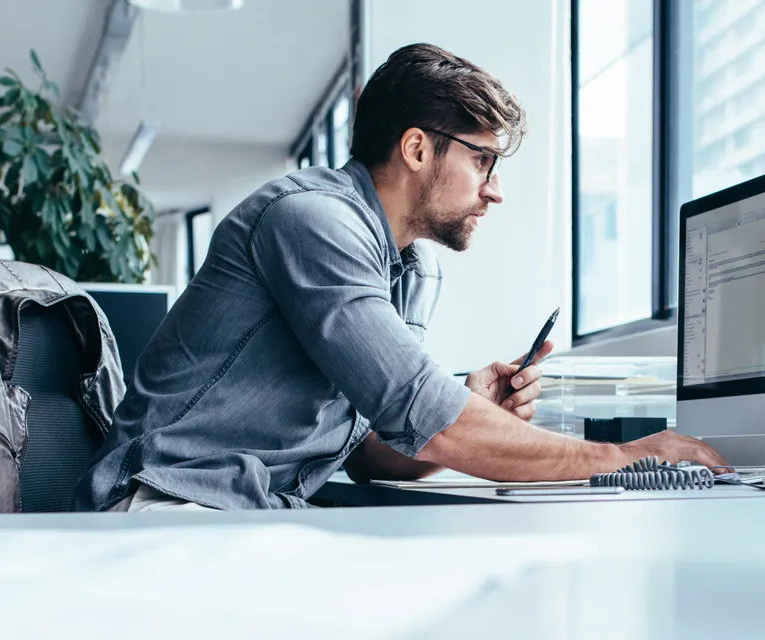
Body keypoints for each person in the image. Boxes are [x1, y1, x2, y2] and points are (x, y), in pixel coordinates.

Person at [72, 43, 727, 512]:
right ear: (417, 148)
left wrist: (471, 407)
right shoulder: (312, 221)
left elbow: (368, 454)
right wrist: (626, 460)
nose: (495, 190)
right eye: (484, 160)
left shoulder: (411, 267)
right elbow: (427, 416)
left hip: (254, 513)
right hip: (169, 504)